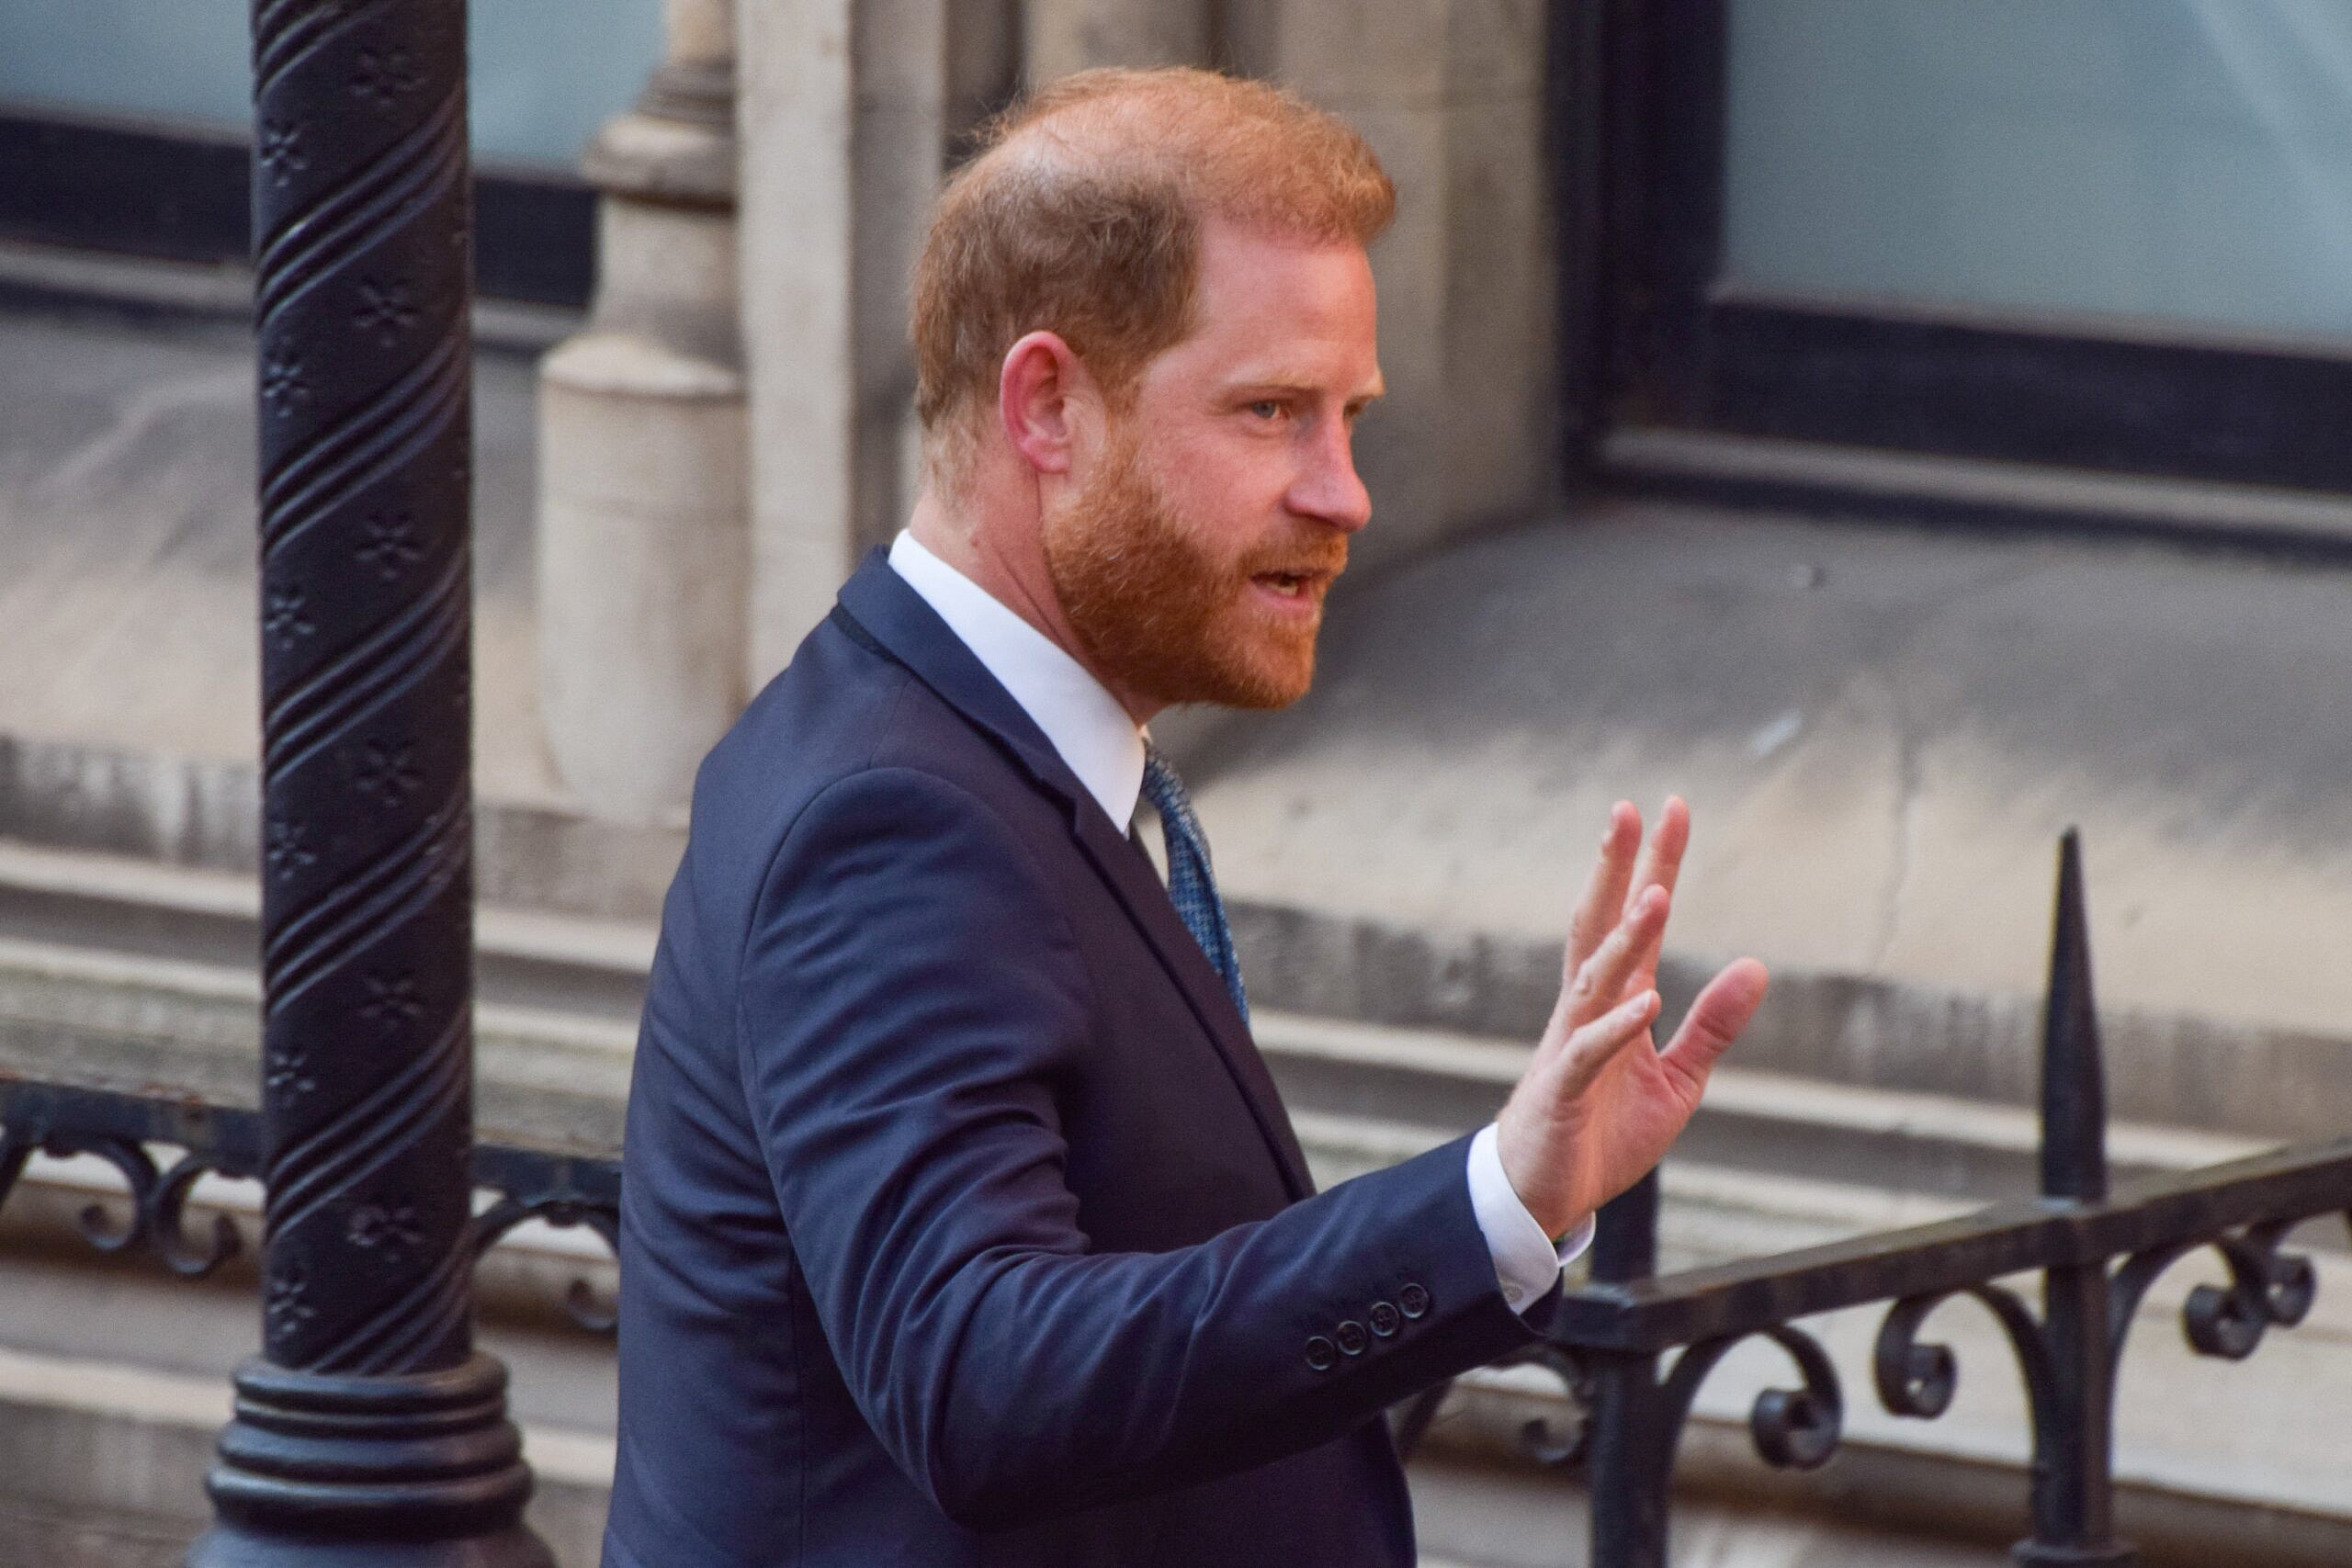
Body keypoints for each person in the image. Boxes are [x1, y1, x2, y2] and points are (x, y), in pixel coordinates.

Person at [601, 66, 1770, 1568]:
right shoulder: (892, 817)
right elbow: (979, 1379)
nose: (1345, 492)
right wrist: (1491, 1199)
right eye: (1271, 412)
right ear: (1047, 407)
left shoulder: (999, 752)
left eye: (1348, 416)